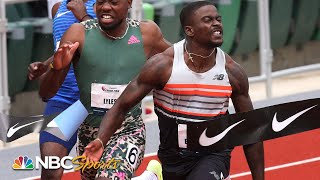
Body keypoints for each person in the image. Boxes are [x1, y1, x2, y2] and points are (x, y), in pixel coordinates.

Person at [84, 1, 265, 180]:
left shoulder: (231, 72)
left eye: (218, 19)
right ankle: (155, 175)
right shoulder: (163, 66)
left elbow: (250, 130)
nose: (216, 24)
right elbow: (121, 106)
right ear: (189, 30)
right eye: (208, 20)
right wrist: (101, 140)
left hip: (213, 154)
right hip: (172, 157)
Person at [39, 0, 171, 179]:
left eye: (114, 2)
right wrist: (56, 67)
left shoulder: (146, 33)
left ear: (129, 3)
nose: (106, 7)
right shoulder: (78, 32)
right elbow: (46, 94)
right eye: (101, 2)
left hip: (127, 130)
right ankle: (149, 177)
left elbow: (178, 61)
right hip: (89, 131)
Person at [28, 0, 96, 179]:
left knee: (95, 172)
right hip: (63, 100)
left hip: (98, 99)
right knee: (50, 167)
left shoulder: (107, 5)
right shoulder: (57, 9)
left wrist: (82, 15)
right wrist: (44, 65)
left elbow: (109, 44)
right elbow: (65, 47)